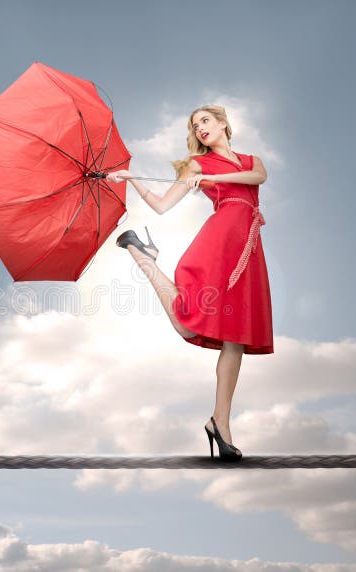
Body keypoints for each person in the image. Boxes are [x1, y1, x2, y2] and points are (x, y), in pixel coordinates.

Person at [105, 105, 273, 462]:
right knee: (185, 323)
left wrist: (218, 180)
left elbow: (258, 178)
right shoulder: (197, 166)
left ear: (224, 124)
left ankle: (220, 424)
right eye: (196, 126)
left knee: (236, 341)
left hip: (247, 246)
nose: (200, 129)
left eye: (205, 121)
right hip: (221, 240)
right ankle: (143, 256)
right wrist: (131, 180)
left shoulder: (250, 160)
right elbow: (163, 206)